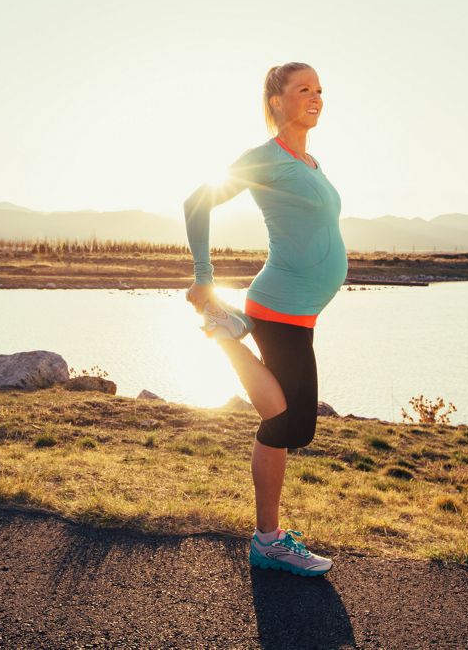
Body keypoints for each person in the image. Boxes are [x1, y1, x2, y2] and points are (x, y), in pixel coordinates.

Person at [183, 61, 348, 578]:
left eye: (320, 89)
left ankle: (268, 539)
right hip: (278, 303)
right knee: (288, 422)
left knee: (285, 426)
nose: (315, 97)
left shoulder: (311, 162)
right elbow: (196, 202)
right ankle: (224, 333)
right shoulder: (267, 158)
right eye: (304, 89)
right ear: (277, 102)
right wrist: (205, 276)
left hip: (298, 311)